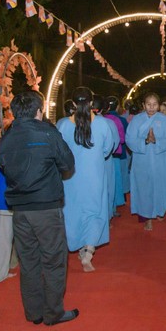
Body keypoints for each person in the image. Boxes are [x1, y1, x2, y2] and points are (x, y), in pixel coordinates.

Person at [0, 90, 79, 326]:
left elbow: (3, 165)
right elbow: (67, 163)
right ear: (39, 111)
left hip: (20, 209)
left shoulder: (7, 137)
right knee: (53, 260)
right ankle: (53, 313)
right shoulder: (47, 132)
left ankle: (34, 312)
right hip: (45, 207)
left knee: (29, 261)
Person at [57, 87, 116, 272]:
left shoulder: (63, 124)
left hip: (70, 177)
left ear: (72, 104)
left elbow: (58, 151)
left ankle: (76, 243)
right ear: (92, 103)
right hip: (94, 176)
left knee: (73, 211)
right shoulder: (102, 124)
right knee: (95, 210)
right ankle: (89, 250)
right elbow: (108, 150)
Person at [126, 92, 166, 231]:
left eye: (154, 104)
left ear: (159, 105)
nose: (151, 107)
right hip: (141, 160)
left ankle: (159, 211)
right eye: (148, 104)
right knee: (144, 187)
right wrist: (145, 141)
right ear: (143, 105)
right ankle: (147, 217)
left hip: (159, 159)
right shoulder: (136, 120)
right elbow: (129, 139)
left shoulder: (164, 119)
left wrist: (156, 141)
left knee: (160, 185)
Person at [92, 94, 122, 221]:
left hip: (89, 162)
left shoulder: (78, 122)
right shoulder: (108, 122)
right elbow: (114, 142)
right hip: (106, 159)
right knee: (108, 187)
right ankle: (108, 216)